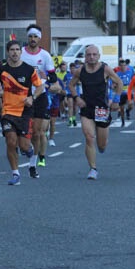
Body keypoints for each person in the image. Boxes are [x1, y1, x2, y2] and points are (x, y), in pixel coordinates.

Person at [67, 44, 123, 180]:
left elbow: (119, 82)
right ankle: (93, 168)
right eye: (89, 55)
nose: (91, 57)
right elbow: (71, 85)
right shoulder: (81, 70)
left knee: (101, 145)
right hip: (87, 108)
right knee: (89, 137)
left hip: (102, 109)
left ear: (99, 56)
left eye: (94, 54)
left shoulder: (105, 69)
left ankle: (102, 146)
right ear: (85, 57)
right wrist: (77, 98)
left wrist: (116, 100)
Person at [0, 40, 44, 185]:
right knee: (10, 141)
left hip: (24, 112)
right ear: (8, 52)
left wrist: (32, 97)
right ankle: (15, 174)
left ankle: (29, 151)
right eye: (12, 50)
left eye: (17, 50)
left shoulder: (29, 69)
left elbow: (39, 87)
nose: (15, 52)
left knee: (23, 146)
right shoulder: (2, 70)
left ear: (21, 52)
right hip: (8, 111)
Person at [19, 24, 59, 170]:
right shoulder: (20, 52)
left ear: (39, 38)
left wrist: (45, 82)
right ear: (27, 37)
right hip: (22, 96)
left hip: (40, 95)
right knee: (20, 129)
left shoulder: (45, 55)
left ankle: (34, 160)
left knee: (37, 132)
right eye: (30, 36)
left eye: (35, 36)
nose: (33, 39)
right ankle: (25, 147)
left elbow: (53, 77)